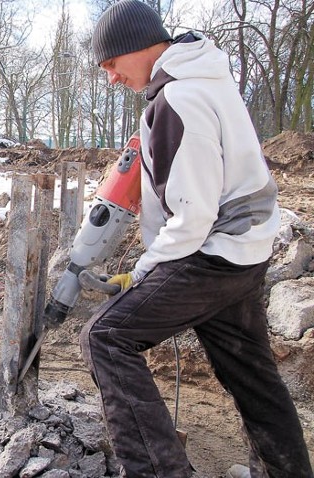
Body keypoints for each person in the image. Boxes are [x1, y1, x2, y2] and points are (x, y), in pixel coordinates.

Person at [78, 1, 314, 477]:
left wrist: (143, 271)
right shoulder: (209, 80)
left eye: (112, 65)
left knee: (105, 337)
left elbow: (193, 217)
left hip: (212, 254)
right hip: (246, 251)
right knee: (252, 377)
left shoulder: (179, 100)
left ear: (139, 47)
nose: (112, 79)